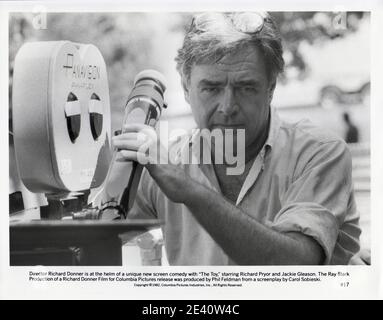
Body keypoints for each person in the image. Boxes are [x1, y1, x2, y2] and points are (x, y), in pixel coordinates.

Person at [112, 12, 360, 265]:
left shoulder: (318, 153)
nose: (227, 106)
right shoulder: (164, 165)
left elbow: (296, 266)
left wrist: (188, 191)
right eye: (211, 88)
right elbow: (95, 240)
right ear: (187, 89)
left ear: (271, 88)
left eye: (246, 87)